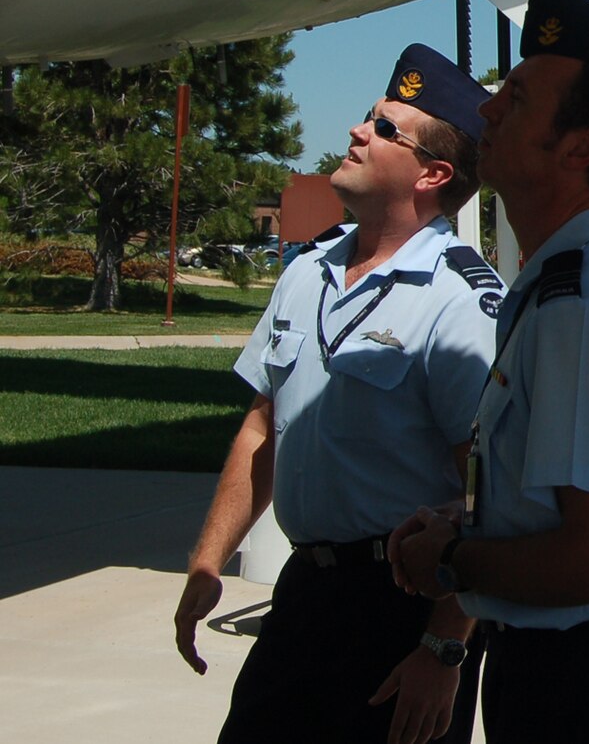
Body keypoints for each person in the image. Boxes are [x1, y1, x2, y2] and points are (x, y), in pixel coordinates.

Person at [389, 0, 589, 744]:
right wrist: (479, 520)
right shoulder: (573, 282)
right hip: (584, 667)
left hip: (586, 683)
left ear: (579, 148)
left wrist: (454, 558)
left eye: (519, 100)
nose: (488, 111)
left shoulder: (581, 308)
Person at [175, 45, 502, 744]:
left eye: (385, 129)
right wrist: (209, 561)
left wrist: (445, 647)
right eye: (367, 118)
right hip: (306, 596)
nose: (358, 131)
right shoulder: (308, 272)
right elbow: (262, 425)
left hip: (406, 606)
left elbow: (491, 481)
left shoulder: (459, 300)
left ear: (433, 174)